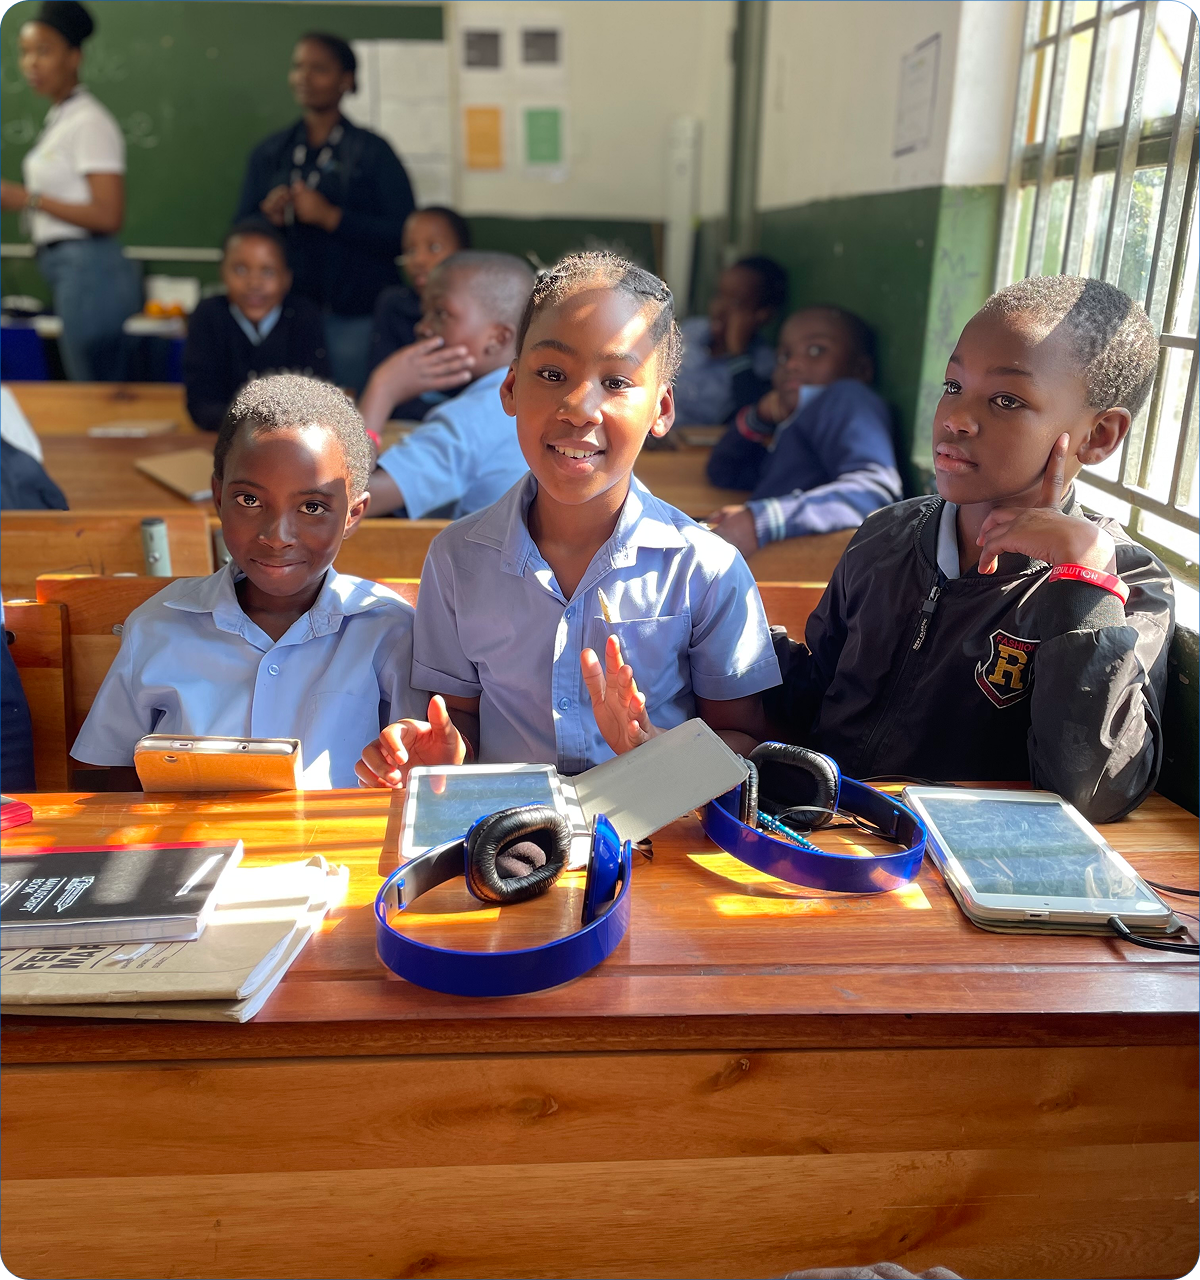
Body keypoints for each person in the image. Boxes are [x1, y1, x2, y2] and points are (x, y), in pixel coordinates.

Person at [356, 251, 780, 787]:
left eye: (618, 382)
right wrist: (441, 750)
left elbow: (743, 738)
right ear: (508, 389)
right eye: (552, 374)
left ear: (662, 410)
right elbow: (460, 715)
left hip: (651, 839)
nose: (579, 406)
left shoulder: (706, 568)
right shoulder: (458, 558)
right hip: (506, 841)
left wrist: (661, 757)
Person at [761, 274, 1174, 823]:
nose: (955, 418)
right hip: (831, 843)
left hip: (970, 874)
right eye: (953, 386)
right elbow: (817, 698)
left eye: (1006, 399)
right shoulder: (886, 537)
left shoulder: (1129, 585)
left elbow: (1093, 791)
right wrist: (712, 629)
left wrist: (1086, 581)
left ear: (1099, 436)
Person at [70, 375, 435, 790]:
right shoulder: (158, 626)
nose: (277, 535)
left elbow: (414, 777)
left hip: (335, 854)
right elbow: (107, 782)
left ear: (353, 514)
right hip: (194, 852)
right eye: (249, 500)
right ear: (218, 496)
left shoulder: (389, 630)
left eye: (312, 506)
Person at [234, 32, 415, 394]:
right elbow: (239, 230)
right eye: (298, 67)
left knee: (349, 414)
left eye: (319, 69)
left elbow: (404, 234)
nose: (304, 77)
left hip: (356, 316)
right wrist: (266, 220)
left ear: (345, 81)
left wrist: (332, 218)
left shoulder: (372, 152)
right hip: (288, 314)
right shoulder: (272, 152)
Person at [0, 1, 141, 381]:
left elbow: (108, 214)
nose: (31, 63)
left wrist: (27, 199)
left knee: (92, 392)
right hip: (70, 272)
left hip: (91, 271)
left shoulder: (88, 122)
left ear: (74, 57)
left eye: (43, 51)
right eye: (25, 52)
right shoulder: (61, 119)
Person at [704, 306, 903, 557]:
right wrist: (760, 417)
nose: (794, 364)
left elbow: (874, 492)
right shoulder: (795, 426)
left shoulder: (847, 397)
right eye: (784, 356)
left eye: (816, 350)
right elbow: (723, 473)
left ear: (861, 369)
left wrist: (761, 520)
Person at [365, 251, 535, 519]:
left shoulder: (474, 418)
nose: (422, 327)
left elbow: (345, 503)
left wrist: (383, 389)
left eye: (440, 313)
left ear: (498, 338)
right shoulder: (532, 397)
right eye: (424, 313)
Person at [183, 220, 330, 431]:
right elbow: (201, 405)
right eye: (241, 269)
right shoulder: (208, 316)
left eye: (268, 272)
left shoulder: (303, 316)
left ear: (287, 278)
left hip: (289, 443)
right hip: (222, 440)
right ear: (223, 272)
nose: (254, 283)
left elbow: (316, 398)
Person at [672, 256, 787, 427]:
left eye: (736, 302)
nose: (719, 308)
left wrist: (737, 352)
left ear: (762, 315)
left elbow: (749, 416)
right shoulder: (690, 331)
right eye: (719, 295)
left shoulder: (763, 366)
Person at [369, 206, 472, 378]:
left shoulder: (480, 306)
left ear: (464, 254)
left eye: (434, 248)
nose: (418, 260)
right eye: (410, 250)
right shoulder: (393, 304)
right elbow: (381, 374)